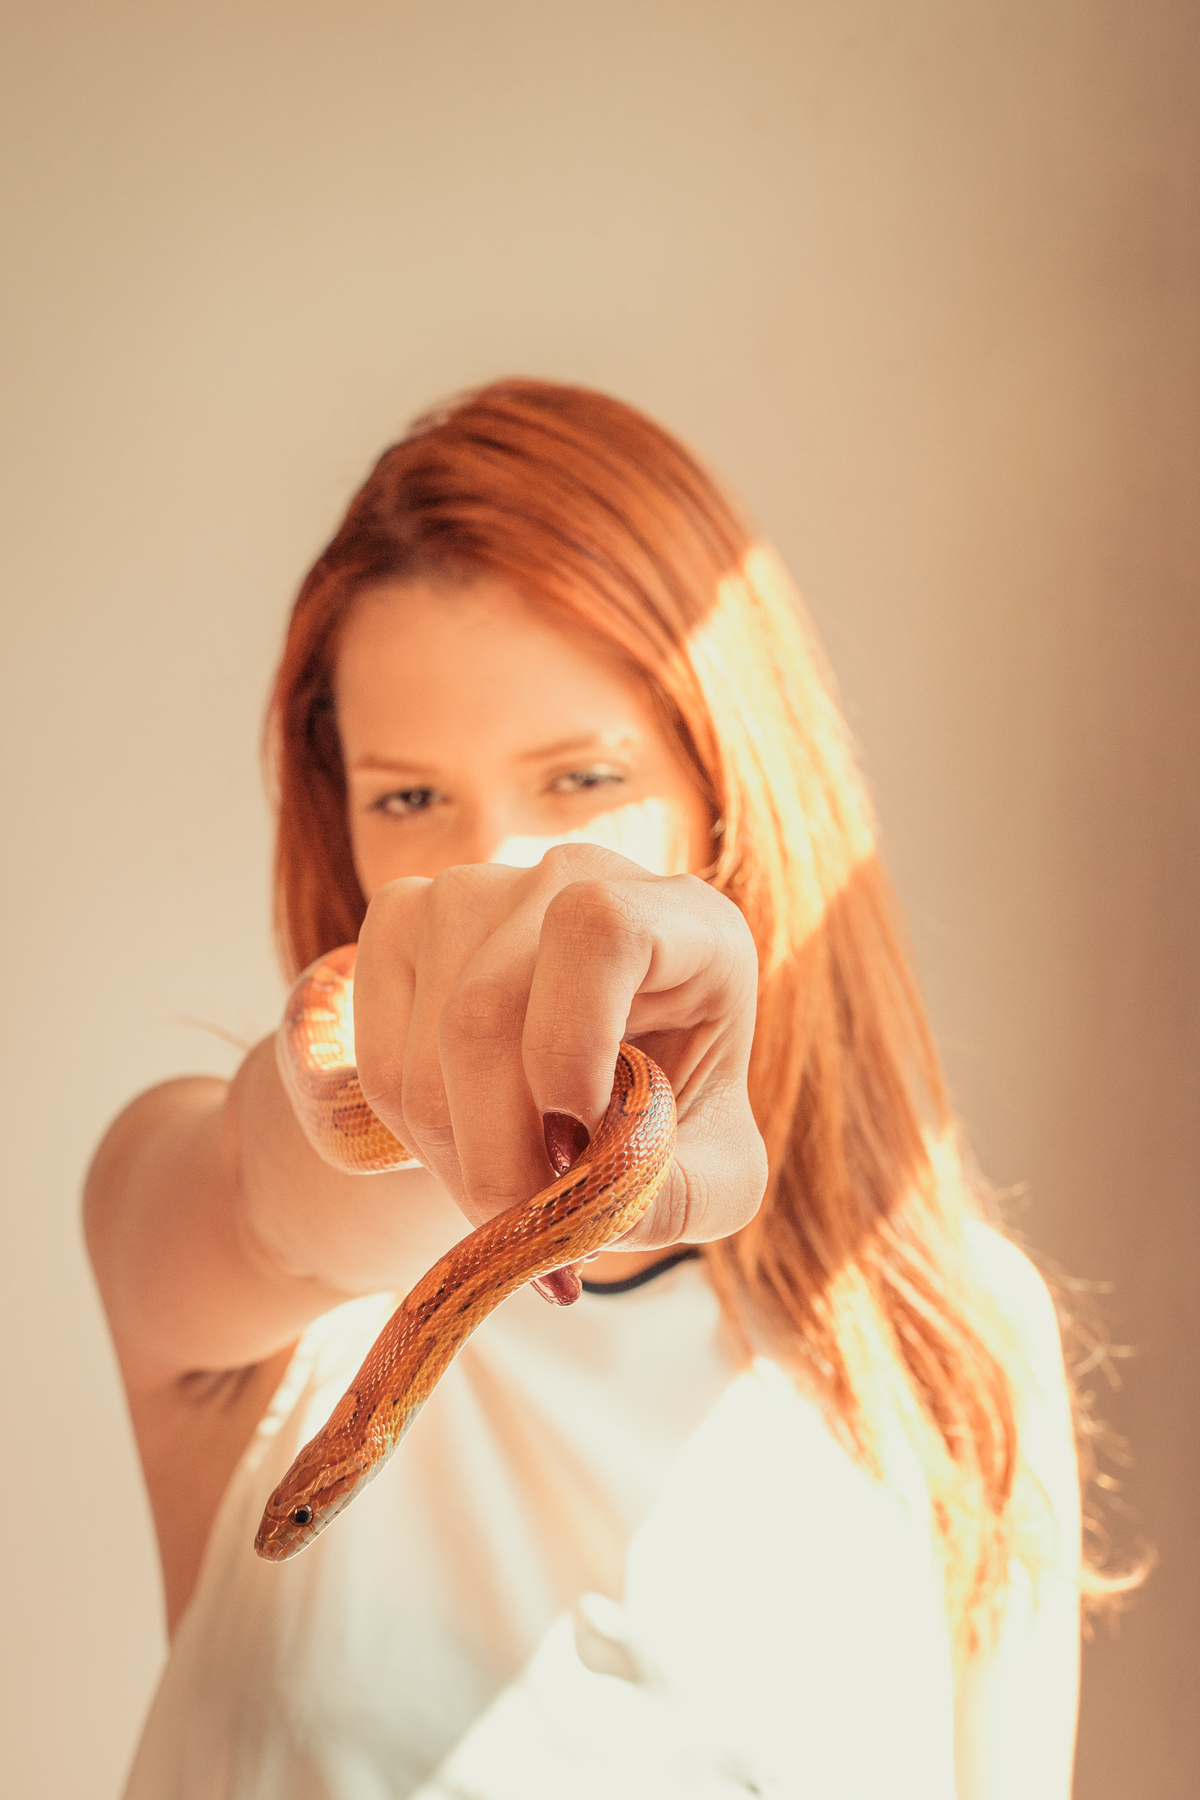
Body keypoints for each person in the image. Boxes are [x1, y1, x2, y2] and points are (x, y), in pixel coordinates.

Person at [86, 379, 1083, 1799]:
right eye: (409, 797)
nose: (501, 866)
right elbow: (269, 1195)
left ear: (728, 793)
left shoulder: (962, 1342)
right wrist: (410, 1105)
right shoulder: (235, 1286)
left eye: (582, 778)